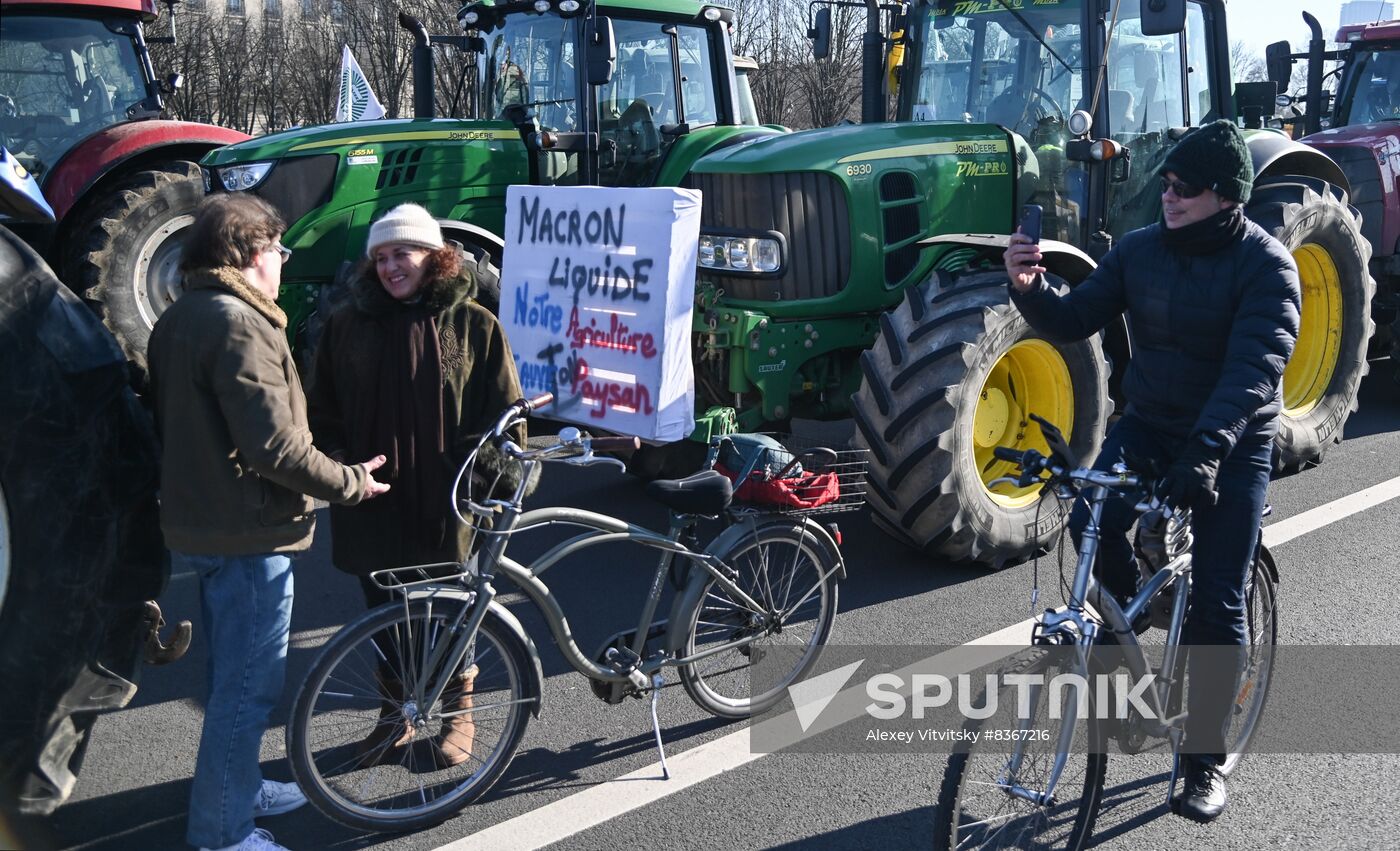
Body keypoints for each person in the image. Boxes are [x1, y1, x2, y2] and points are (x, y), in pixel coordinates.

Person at [1003, 119, 1300, 823]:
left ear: (1226, 196)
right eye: (1166, 183)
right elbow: (1075, 317)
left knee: (1219, 600)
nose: (1169, 196)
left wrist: (1207, 451)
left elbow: (1254, 369)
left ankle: (1203, 762)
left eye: (1186, 188)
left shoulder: (1267, 267)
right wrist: (1027, 287)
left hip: (1231, 436)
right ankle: (1127, 656)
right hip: (1151, 423)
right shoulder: (1140, 251)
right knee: (1086, 520)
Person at [148, 194, 390, 851]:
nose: (283, 263)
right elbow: (274, 447)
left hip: (208, 525)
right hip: (247, 529)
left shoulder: (181, 315)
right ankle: (223, 832)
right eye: (278, 251)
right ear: (251, 254)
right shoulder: (240, 322)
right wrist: (350, 481)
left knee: (231, 675)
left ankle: (239, 788)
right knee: (246, 690)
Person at [308, 203, 527, 769]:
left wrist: (480, 481)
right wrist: (338, 467)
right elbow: (321, 413)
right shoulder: (345, 325)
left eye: (400, 253)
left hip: (448, 504)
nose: (389, 266)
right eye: (379, 257)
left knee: (452, 611)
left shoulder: (475, 324)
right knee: (382, 609)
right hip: (371, 502)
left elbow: (507, 418)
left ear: (435, 258)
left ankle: (460, 713)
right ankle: (394, 716)